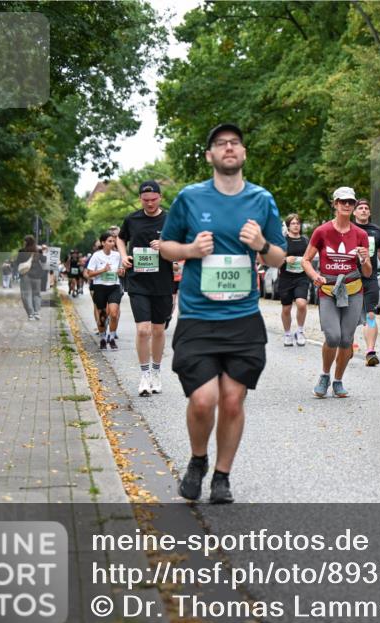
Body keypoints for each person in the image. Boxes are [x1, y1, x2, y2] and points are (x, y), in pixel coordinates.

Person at [159, 122, 286, 504]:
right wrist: (189, 251)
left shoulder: (261, 199)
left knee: (232, 401)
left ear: (243, 153)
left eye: (235, 143)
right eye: (220, 144)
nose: (228, 148)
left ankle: (222, 476)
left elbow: (280, 257)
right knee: (203, 399)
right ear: (210, 156)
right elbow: (165, 246)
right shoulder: (189, 198)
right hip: (198, 316)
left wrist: (262, 243)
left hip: (242, 318)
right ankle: (198, 460)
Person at [302, 186, 372, 398]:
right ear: (335, 204)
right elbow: (306, 260)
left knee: (346, 340)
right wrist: (315, 276)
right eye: (343, 202)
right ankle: (325, 375)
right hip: (329, 289)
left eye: (350, 202)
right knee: (333, 336)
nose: (347, 205)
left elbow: (367, 273)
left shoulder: (360, 234)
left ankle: (338, 380)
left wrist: (365, 259)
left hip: (353, 289)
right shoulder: (322, 231)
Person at [118, 180, 174, 396]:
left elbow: (181, 247)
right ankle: (143, 375)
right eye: (145, 200)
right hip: (138, 281)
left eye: (153, 199)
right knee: (143, 329)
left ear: (160, 197)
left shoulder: (170, 219)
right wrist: (124, 257)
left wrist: (165, 246)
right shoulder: (132, 219)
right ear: (140, 199)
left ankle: (156, 372)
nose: (149, 204)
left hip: (162, 281)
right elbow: (121, 239)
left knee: (159, 330)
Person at [353, 199, 380, 365]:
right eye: (360, 208)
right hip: (350, 277)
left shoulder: (376, 230)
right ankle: (347, 344)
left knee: (370, 314)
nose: (363, 210)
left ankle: (370, 351)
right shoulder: (348, 229)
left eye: (366, 208)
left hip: (370, 277)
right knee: (350, 316)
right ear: (354, 212)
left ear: (369, 212)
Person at [85, 231, 123, 350]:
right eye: (110, 241)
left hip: (114, 287)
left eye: (113, 241)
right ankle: (102, 338)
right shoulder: (96, 256)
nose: (112, 243)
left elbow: (122, 270)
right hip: (100, 287)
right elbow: (89, 273)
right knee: (102, 315)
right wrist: (103, 270)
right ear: (103, 242)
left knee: (114, 313)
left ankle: (111, 338)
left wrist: (121, 272)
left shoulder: (117, 255)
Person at [278, 213, 311, 347]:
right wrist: (285, 259)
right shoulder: (282, 241)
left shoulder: (305, 240)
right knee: (286, 308)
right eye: (293, 223)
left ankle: (300, 331)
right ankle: (287, 334)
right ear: (288, 226)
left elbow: (310, 256)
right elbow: (275, 259)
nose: (296, 225)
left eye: (298, 223)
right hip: (286, 278)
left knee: (302, 304)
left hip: (301, 277)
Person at [14, 235, 46, 320]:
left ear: (26, 242)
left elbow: (17, 262)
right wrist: (43, 251)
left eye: (24, 241)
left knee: (26, 295)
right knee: (37, 294)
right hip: (37, 276)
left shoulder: (22, 251)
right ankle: (36, 313)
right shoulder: (38, 251)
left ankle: (31, 314)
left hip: (25, 275)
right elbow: (44, 260)